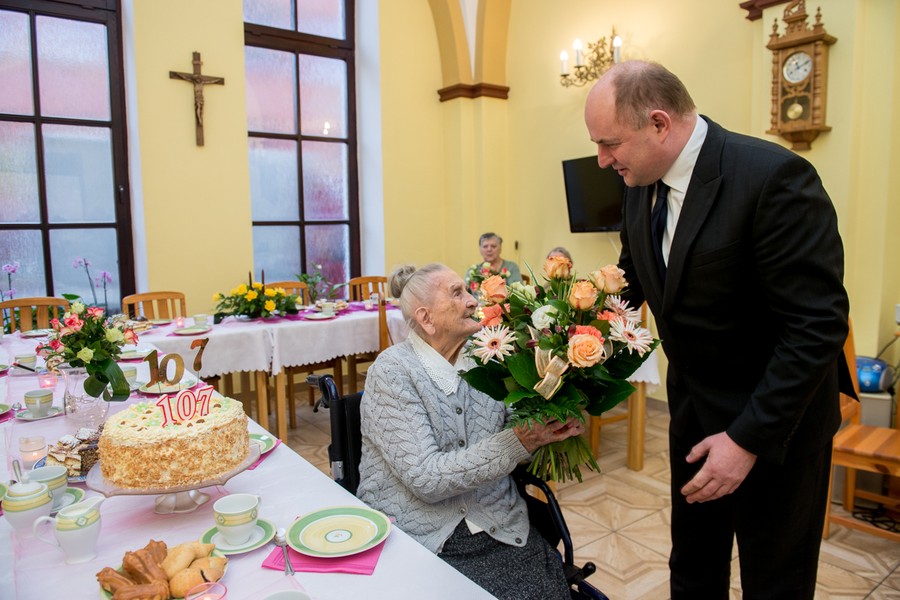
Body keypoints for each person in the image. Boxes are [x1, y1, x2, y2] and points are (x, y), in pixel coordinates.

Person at [583, 60, 852, 599]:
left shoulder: (772, 177)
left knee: (774, 581)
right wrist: (563, 341)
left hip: (778, 427)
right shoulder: (640, 183)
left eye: (609, 143)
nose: (602, 159)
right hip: (693, 413)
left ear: (659, 124)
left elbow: (816, 327)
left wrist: (747, 439)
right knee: (694, 568)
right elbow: (634, 279)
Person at [356, 263, 580, 600]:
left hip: (500, 526)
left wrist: (553, 419)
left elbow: (518, 445)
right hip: (422, 536)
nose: (473, 300)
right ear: (426, 318)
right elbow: (426, 479)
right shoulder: (392, 372)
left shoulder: (490, 359)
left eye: (468, 290)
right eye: (457, 293)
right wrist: (518, 441)